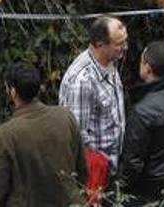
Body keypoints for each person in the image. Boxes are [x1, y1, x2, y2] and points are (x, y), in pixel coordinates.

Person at [0, 63, 88, 206]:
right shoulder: (65, 116)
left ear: (12, 91)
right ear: (39, 87)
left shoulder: (4, 134)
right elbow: (83, 171)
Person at [58, 15, 127, 198]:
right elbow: (77, 133)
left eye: (125, 41)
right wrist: (99, 164)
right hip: (93, 174)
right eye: (119, 43)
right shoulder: (82, 81)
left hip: (111, 168)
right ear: (99, 44)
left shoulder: (110, 61)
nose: (124, 47)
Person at [118, 41, 164, 204]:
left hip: (148, 190)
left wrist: (117, 189)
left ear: (148, 67)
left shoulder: (143, 112)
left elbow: (133, 164)